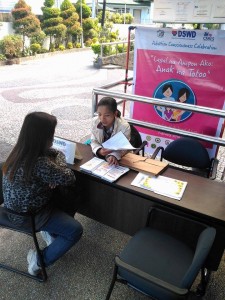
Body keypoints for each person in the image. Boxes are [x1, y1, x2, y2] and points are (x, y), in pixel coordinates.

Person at [2, 111, 83, 276]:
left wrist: (53, 172)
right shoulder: (41, 164)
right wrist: (57, 166)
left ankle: (51, 232)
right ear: (43, 137)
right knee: (75, 229)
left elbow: (54, 158)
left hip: (8, 211)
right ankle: (38, 262)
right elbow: (69, 177)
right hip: (29, 217)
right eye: (51, 134)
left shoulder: (18, 152)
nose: (53, 138)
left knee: (59, 193)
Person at [91, 97, 131, 165]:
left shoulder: (124, 127)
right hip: (100, 157)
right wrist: (99, 150)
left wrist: (114, 155)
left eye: (107, 115)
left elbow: (123, 147)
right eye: (99, 114)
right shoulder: (95, 121)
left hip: (118, 159)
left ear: (115, 114)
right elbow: (94, 140)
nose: (102, 119)